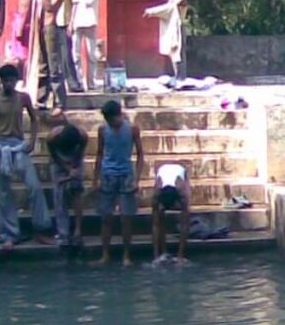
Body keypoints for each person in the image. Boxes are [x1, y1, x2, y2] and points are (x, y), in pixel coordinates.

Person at [0, 64, 55, 250]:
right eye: (6, 81)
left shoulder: (23, 98)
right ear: (1, 82)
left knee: (34, 187)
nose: (9, 84)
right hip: (0, 147)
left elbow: (34, 118)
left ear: (16, 81)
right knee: (4, 193)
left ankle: (41, 229)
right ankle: (9, 234)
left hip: (18, 146)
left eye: (12, 80)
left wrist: (32, 140)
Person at [94, 100, 145, 266]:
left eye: (112, 119)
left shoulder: (132, 129)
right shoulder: (102, 130)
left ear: (119, 115)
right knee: (106, 218)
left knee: (126, 218)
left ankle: (126, 255)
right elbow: (99, 154)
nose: (110, 122)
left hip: (126, 175)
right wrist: (96, 178)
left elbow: (140, 155)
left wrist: (137, 179)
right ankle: (105, 254)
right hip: (108, 174)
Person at [46, 120, 88, 249]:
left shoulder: (82, 136)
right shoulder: (52, 137)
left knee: (77, 191)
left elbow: (80, 153)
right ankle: (63, 233)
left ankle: (78, 230)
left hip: (75, 158)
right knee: (59, 195)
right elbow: (54, 156)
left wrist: (74, 169)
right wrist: (66, 168)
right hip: (58, 158)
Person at [144, 0, 189, 84]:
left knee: (179, 53)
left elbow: (169, 9)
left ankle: (181, 77)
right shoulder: (171, 0)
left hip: (179, 27)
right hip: (172, 27)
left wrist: (151, 11)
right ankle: (177, 75)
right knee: (173, 53)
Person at [38, 0, 68, 114]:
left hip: (51, 28)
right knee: (42, 65)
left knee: (54, 65)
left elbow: (51, 7)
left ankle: (60, 102)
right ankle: (41, 98)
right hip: (39, 27)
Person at [51, 0, 83, 92]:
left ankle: (72, 83)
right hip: (51, 23)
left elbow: (75, 3)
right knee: (53, 55)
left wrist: (71, 23)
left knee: (66, 55)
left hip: (64, 22)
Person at [152, 161, 193, 262]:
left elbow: (185, 224)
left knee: (185, 214)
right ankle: (161, 253)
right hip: (162, 168)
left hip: (180, 168)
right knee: (158, 216)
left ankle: (180, 254)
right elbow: (155, 225)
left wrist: (180, 256)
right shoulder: (157, 192)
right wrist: (156, 257)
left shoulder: (182, 190)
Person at [71, 0, 100, 91]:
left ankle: (91, 82)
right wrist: (71, 23)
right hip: (77, 23)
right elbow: (74, 5)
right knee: (75, 55)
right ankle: (79, 81)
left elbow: (89, 0)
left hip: (89, 22)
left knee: (91, 54)